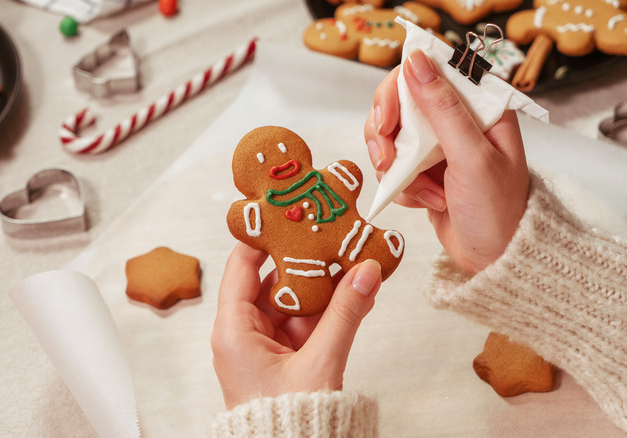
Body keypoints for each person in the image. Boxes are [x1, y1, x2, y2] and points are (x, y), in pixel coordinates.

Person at [210, 50, 627, 436]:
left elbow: (348, 176)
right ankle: (306, 282)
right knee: (305, 278)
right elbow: (244, 220)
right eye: (266, 160)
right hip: (300, 259)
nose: (279, 159)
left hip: (348, 234)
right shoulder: (263, 210)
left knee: (361, 242)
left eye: (282, 150)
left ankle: (375, 248)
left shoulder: (325, 180)